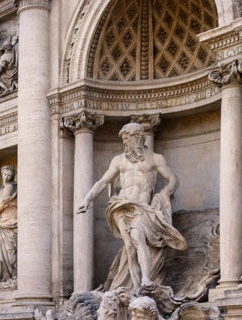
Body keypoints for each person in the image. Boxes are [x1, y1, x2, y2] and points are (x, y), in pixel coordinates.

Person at [77, 122, 185, 290]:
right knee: (129, 246)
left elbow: (173, 180)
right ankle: (134, 287)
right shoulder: (118, 161)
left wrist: (163, 194)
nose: (126, 143)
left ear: (140, 137)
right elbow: (103, 182)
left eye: (129, 139)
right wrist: (87, 199)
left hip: (141, 207)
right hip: (120, 206)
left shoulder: (155, 158)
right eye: (124, 139)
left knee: (138, 237)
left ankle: (146, 279)